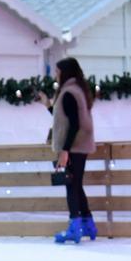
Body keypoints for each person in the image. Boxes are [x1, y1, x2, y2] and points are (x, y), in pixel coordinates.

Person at [36, 58, 97, 244]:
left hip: (74, 147)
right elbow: (63, 118)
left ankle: (75, 227)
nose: (56, 75)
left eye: (57, 71)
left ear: (65, 72)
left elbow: (74, 124)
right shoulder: (77, 90)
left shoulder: (69, 92)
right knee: (76, 184)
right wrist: (48, 104)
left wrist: (65, 150)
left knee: (71, 185)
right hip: (79, 146)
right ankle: (88, 224)